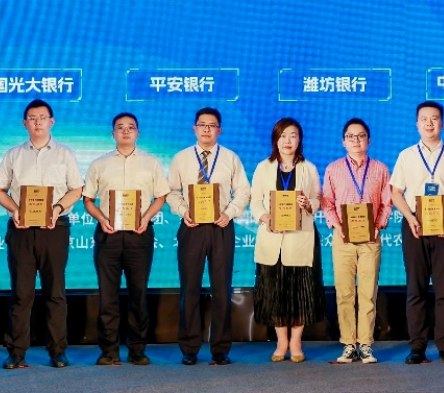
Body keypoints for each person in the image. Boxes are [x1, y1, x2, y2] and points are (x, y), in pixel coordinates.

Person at [0, 99, 84, 369]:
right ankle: (16, 352)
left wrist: (57, 208)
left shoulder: (65, 154)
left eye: (42, 117)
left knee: (55, 292)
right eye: (32, 118)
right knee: (21, 294)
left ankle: (57, 351)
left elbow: (77, 189)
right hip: (21, 230)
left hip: (54, 229)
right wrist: (15, 209)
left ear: (51, 122)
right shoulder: (13, 154)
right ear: (25, 123)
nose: (37, 122)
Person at [390, 101, 444, 365]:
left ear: (442, 123)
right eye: (424, 119)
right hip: (414, 225)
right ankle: (417, 347)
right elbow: (396, 192)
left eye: (434, 118)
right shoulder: (406, 155)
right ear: (417, 124)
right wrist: (410, 217)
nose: (429, 123)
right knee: (415, 289)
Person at [83, 112, 169, 367]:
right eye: (120, 127)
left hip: (139, 234)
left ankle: (137, 350)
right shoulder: (99, 164)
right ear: (113, 134)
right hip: (108, 234)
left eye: (131, 127)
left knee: (138, 293)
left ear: (137, 133)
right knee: (107, 295)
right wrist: (101, 218)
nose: (126, 131)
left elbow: (161, 196)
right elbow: (88, 200)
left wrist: (146, 217)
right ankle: (109, 351)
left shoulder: (151, 162)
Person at [166, 107, 251, 365]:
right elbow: (171, 191)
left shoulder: (230, 158)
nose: (206, 129)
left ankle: (220, 348)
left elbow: (243, 191)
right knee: (189, 288)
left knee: (221, 289)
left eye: (211, 125)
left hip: (220, 226)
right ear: (194, 128)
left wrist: (229, 213)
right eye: (202, 124)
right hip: (191, 227)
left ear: (219, 130)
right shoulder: (181, 158)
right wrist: (184, 211)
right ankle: (189, 349)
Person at [250, 117, 325, 362]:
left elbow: (318, 199)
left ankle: (296, 342)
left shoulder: (308, 168)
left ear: (299, 139)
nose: (287, 141)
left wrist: (308, 203)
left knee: (300, 291)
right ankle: (281, 342)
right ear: (276, 139)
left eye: (293, 135)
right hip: (272, 238)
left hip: (300, 239)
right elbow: (255, 202)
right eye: (283, 135)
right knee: (275, 292)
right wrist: (265, 217)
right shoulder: (263, 167)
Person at [321, 117, 392, 364]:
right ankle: (349, 344)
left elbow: (387, 202)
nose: (356, 140)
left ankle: (366, 344)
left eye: (361, 136)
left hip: (371, 238)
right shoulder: (333, 169)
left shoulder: (380, 169)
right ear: (343, 141)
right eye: (351, 136)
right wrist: (337, 226)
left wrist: (378, 225)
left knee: (368, 292)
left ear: (368, 140)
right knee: (344, 293)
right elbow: (327, 202)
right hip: (342, 238)